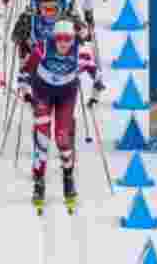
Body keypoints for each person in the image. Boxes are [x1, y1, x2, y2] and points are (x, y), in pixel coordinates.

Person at [17, 18, 102, 212]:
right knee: (43, 137)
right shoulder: (43, 48)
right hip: (43, 94)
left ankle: (68, 176)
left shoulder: (80, 51)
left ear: (73, 39)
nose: (64, 43)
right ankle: (39, 181)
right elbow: (25, 70)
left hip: (66, 96)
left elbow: (96, 73)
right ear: (54, 37)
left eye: (68, 39)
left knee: (63, 138)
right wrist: (26, 90)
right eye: (60, 38)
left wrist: (96, 93)